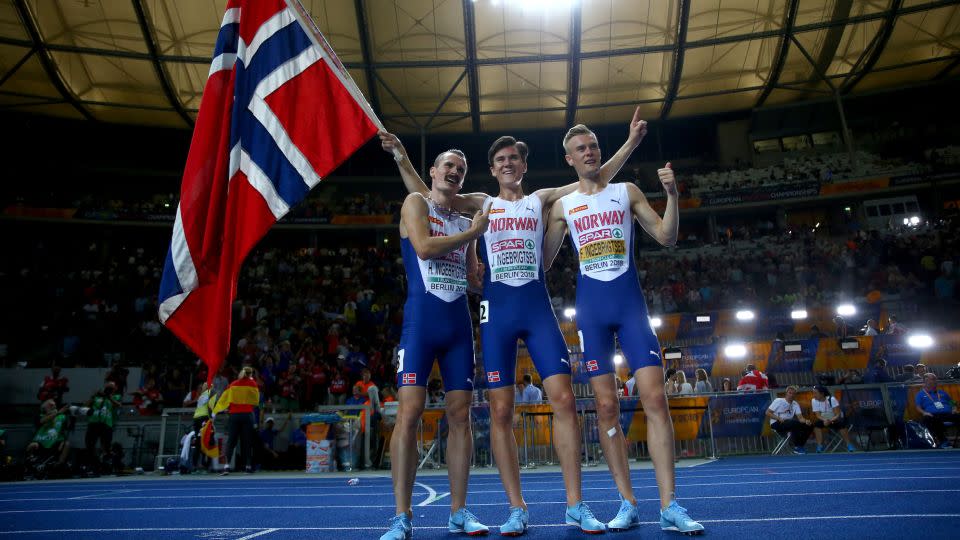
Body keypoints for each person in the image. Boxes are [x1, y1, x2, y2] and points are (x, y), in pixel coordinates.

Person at [381, 111, 643, 534]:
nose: (507, 163)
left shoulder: (541, 199)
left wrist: (629, 144)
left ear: (522, 165)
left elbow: (591, 179)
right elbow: (433, 197)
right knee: (501, 410)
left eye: (514, 158)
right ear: (492, 168)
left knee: (563, 402)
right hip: (496, 313)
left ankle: (575, 504)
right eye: (500, 158)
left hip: (538, 310)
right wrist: (401, 158)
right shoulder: (481, 204)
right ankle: (516, 507)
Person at [543, 123, 703, 534]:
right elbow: (540, 264)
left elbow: (667, 236)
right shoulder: (563, 206)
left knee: (655, 399)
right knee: (607, 407)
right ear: (570, 159)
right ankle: (627, 502)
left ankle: (669, 505)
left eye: (594, 145)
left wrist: (671, 195)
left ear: (600, 151)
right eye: (580, 148)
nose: (589, 152)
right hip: (591, 314)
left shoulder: (626, 192)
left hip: (631, 308)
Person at [378, 145, 490, 540]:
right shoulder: (415, 204)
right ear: (433, 171)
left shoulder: (463, 219)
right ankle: (402, 516)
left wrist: (489, 271)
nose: (454, 171)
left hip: (458, 326)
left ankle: (459, 511)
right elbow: (423, 247)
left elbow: (474, 275)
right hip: (421, 324)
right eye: (448, 165)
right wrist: (472, 233)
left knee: (461, 418)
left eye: (461, 168)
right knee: (409, 415)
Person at [212, 366, 260, 475]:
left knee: (231, 441)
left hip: (234, 415)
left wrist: (215, 411)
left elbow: (224, 398)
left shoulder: (233, 384)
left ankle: (226, 467)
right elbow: (256, 401)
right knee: (247, 442)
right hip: (247, 415)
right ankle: (247, 467)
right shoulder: (253, 384)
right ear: (251, 374)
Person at [84, 381, 122, 474]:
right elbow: (86, 406)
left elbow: (118, 405)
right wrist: (93, 396)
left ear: (114, 389)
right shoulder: (97, 397)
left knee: (106, 446)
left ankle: (107, 465)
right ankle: (94, 466)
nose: (109, 389)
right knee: (90, 445)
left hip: (106, 424)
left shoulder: (116, 397)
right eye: (108, 387)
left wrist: (109, 397)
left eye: (111, 388)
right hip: (94, 422)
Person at [914, 373, 960, 448]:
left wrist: (954, 408)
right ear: (926, 381)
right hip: (933, 415)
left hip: (947, 414)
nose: (936, 381)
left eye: (935, 379)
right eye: (933, 379)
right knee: (929, 420)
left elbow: (952, 402)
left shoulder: (942, 392)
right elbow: (918, 407)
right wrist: (925, 413)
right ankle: (943, 441)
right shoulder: (920, 394)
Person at [765, 386, 813, 454]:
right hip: (776, 423)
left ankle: (800, 446)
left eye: (793, 393)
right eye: (790, 393)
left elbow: (800, 418)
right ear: (786, 393)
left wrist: (806, 421)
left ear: (795, 395)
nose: (791, 395)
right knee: (794, 423)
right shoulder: (779, 401)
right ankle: (796, 446)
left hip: (788, 423)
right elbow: (767, 412)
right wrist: (778, 418)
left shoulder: (795, 404)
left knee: (809, 425)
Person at [810, 385, 856, 452]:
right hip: (824, 419)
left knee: (841, 424)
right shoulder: (814, 401)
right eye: (813, 393)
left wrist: (830, 420)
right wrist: (825, 420)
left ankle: (849, 445)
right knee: (816, 425)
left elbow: (837, 414)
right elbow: (818, 415)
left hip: (834, 418)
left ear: (822, 393)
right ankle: (820, 446)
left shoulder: (832, 399)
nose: (814, 395)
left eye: (816, 393)